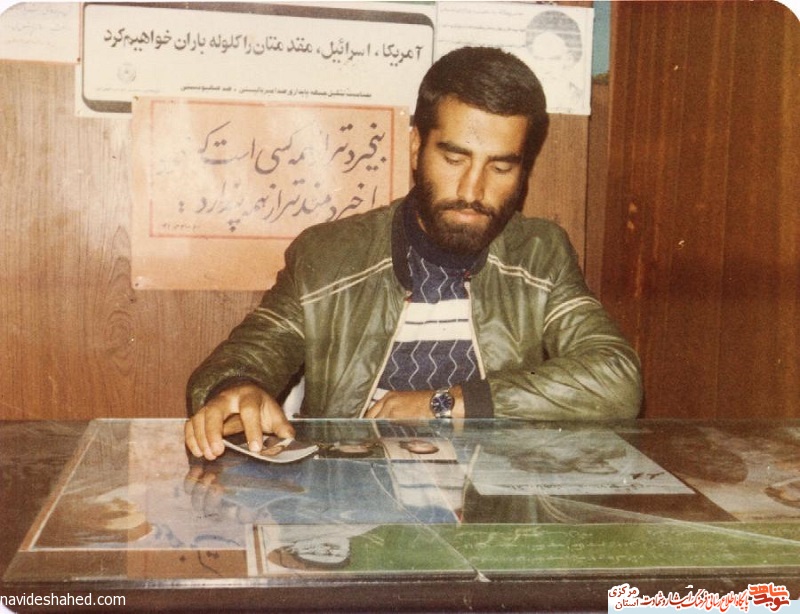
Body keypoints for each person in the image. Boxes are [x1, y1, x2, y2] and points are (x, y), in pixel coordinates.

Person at [184, 46, 643, 461]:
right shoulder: (327, 256)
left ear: (523, 171)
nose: (473, 190)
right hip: (355, 508)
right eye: (454, 159)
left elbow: (616, 377)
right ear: (416, 146)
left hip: (489, 509)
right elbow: (249, 353)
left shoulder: (540, 254)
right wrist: (236, 388)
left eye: (501, 167)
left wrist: (446, 404)